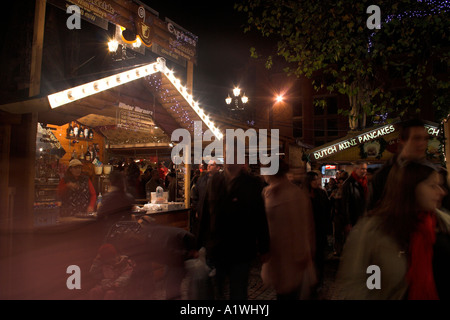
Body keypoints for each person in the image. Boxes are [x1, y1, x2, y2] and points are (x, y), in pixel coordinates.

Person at [335, 160, 450, 300]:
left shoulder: (442, 223)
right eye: (433, 186)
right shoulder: (375, 232)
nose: (442, 192)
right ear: (410, 189)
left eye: (440, 185)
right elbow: (364, 285)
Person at [197, 157, 270, 300]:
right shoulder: (214, 180)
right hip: (217, 248)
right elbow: (205, 212)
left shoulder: (252, 183)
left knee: (239, 292)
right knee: (217, 291)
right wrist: (198, 244)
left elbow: (260, 217)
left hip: (241, 248)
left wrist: (264, 247)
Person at [261, 160, 317, 300]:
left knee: (288, 293)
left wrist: (303, 253)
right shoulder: (270, 192)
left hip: (291, 256)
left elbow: (303, 227)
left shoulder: (291, 194)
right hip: (280, 255)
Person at [368, 118, 429, 210]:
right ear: (402, 141)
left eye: (425, 139)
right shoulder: (383, 176)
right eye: (417, 138)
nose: (422, 143)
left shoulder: (432, 174)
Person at [304, 171, 331, 295]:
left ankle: (318, 282)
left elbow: (326, 212)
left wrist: (327, 229)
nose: (316, 181)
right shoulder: (303, 195)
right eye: (314, 180)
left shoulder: (321, 194)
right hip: (307, 232)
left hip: (319, 231)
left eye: (317, 179)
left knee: (319, 258)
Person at [97, 171, 135, 235]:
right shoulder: (130, 198)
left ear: (110, 183)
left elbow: (99, 215)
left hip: (111, 234)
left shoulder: (107, 198)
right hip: (127, 233)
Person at [191, 160, 220, 237]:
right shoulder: (201, 180)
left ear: (218, 168)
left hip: (216, 215)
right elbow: (195, 196)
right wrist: (197, 209)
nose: (208, 166)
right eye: (208, 164)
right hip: (202, 212)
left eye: (212, 165)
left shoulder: (222, 180)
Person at [341, 161, 369, 235]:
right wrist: (347, 223)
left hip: (363, 218)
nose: (364, 171)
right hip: (354, 219)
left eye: (366, 169)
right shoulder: (348, 184)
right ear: (355, 169)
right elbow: (345, 204)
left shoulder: (365, 183)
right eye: (362, 169)